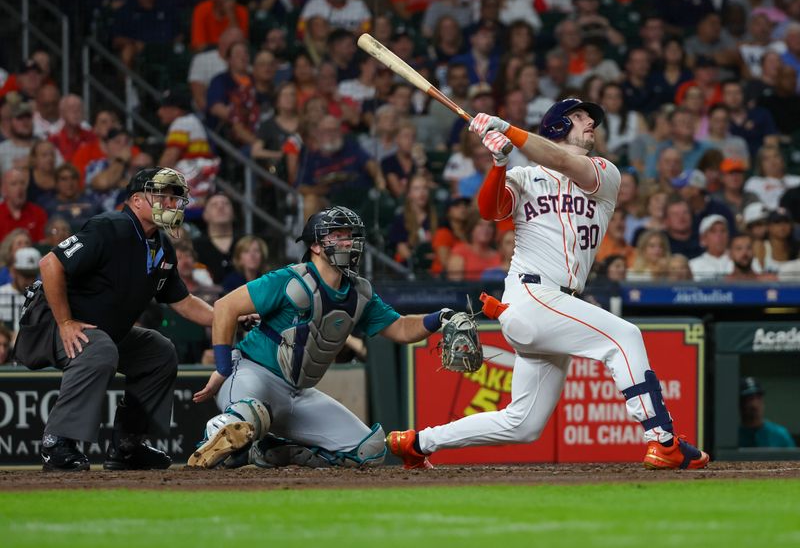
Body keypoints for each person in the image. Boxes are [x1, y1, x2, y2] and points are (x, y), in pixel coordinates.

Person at [386, 99, 709, 470]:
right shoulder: (524, 177)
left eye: (592, 118)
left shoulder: (605, 172)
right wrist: (499, 164)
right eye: (580, 117)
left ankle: (417, 442)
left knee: (523, 423)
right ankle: (662, 440)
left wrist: (507, 129)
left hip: (554, 305)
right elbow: (491, 211)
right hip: (532, 295)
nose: (591, 122)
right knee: (624, 337)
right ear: (557, 126)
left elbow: (564, 162)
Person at [188, 206, 457, 469]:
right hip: (252, 374)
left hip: (297, 393)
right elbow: (225, 307)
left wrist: (440, 318)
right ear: (316, 245)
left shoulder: (359, 293)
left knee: (369, 449)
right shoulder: (290, 279)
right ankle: (218, 431)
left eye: (350, 235)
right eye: (338, 235)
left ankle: (269, 451)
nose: (348, 241)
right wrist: (223, 368)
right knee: (247, 416)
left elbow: (400, 328)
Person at [35, 168, 215, 471]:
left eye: (174, 198)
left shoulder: (161, 245)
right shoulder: (110, 226)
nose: (171, 204)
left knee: (158, 351)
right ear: (136, 200)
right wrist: (65, 322)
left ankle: (127, 446)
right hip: (50, 324)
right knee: (100, 347)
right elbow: (50, 263)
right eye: (162, 196)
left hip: (102, 332)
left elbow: (183, 303)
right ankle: (58, 442)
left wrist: (228, 316)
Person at [739, 377, 796, 448]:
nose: (754, 404)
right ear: (740, 403)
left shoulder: (780, 435)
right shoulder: (733, 436)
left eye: (758, 398)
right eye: (749, 399)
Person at [0, 246, 41, 332]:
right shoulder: (1, 294)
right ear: (13, 271)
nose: (30, 280)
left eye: (33, 275)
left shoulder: (41, 297)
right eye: (25, 275)